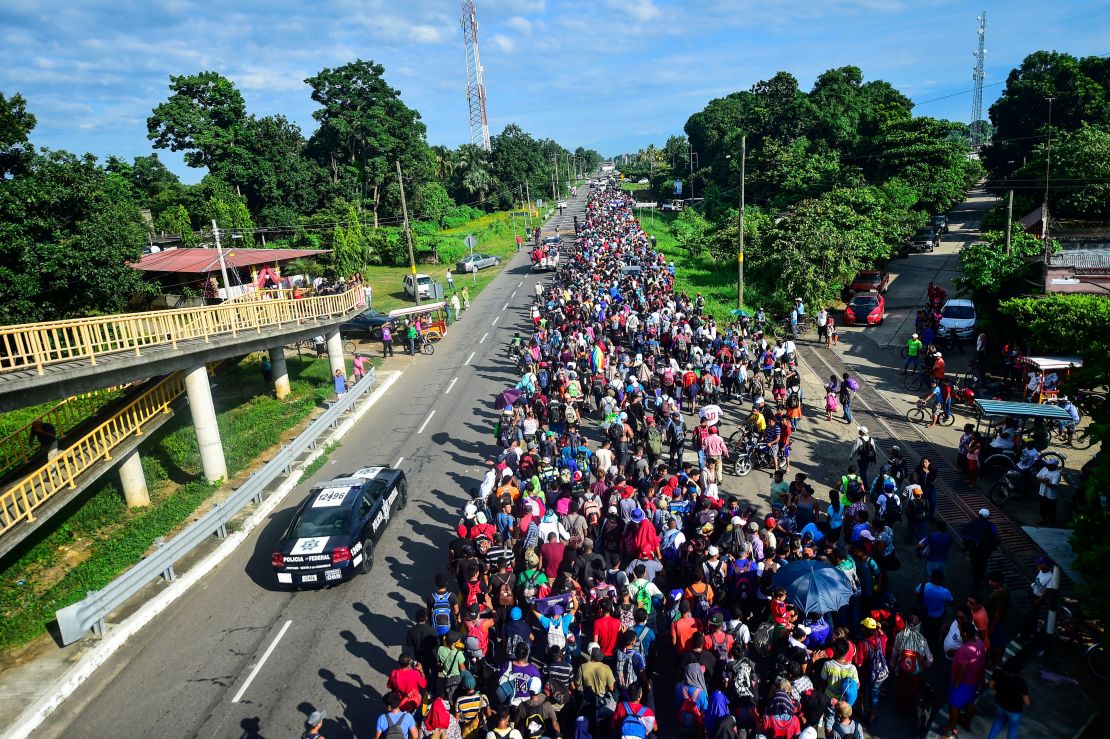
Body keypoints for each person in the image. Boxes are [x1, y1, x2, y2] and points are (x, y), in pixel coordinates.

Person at [941, 620, 986, 737]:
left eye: (961, 631)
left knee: (954, 705)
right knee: (970, 702)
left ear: (965, 634)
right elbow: (982, 663)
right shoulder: (980, 643)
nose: (960, 633)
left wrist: (956, 682)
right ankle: (967, 722)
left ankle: (951, 726)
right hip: (973, 681)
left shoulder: (963, 650)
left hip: (961, 683)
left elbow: (962, 668)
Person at [985, 660, 1031, 739]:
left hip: (1000, 703)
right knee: (1012, 729)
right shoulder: (1021, 683)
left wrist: (1002, 690)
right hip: (1014, 710)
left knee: (999, 721)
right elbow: (1027, 702)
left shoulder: (998, 673)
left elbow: (991, 685)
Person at [1036, 457, 1062, 525]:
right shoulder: (1044, 469)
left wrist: (1043, 481)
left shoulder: (1057, 474)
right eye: (1047, 464)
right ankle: (1043, 519)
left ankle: (1052, 522)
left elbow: (1053, 486)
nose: (1046, 465)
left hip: (1051, 496)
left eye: (1048, 464)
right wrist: (1044, 481)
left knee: (1051, 510)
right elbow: (1037, 477)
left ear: (1054, 466)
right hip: (1042, 492)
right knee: (1042, 507)